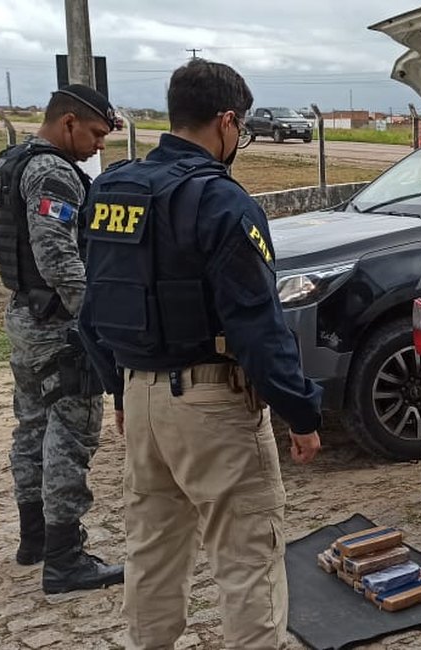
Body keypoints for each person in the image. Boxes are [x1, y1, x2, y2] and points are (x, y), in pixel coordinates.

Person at [78, 58, 323, 649]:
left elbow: (92, 310)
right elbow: (258, 326)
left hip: (139, 398)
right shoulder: (220, 201)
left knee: (153, 552)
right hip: (213, 406)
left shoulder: (113, 188)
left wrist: (117, 388)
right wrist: (303, 413)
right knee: (246, 556)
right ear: (227, 120)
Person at [0, 84, 124, 594]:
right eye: (95, 133)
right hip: (58, 325)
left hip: (24, 316)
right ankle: (65, 559)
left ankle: (35, 538)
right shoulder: (52, 172)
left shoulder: (13, 161)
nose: (99, 146)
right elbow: (59, 261)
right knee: (72, 432)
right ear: (68, 123)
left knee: (32, 424)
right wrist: (96, 324)